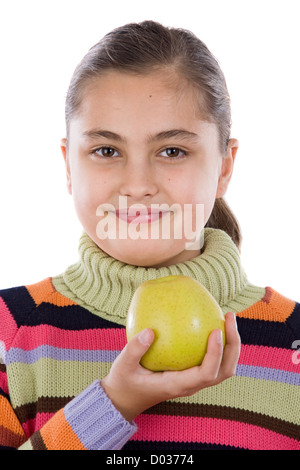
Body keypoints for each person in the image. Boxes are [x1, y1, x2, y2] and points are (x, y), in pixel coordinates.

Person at [0, 20, 299, 451]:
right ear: (69, 167)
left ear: (224, 167)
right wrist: (114, 403)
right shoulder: (10, 333)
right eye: (107, 151)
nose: (137, 184)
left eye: (172, 151)